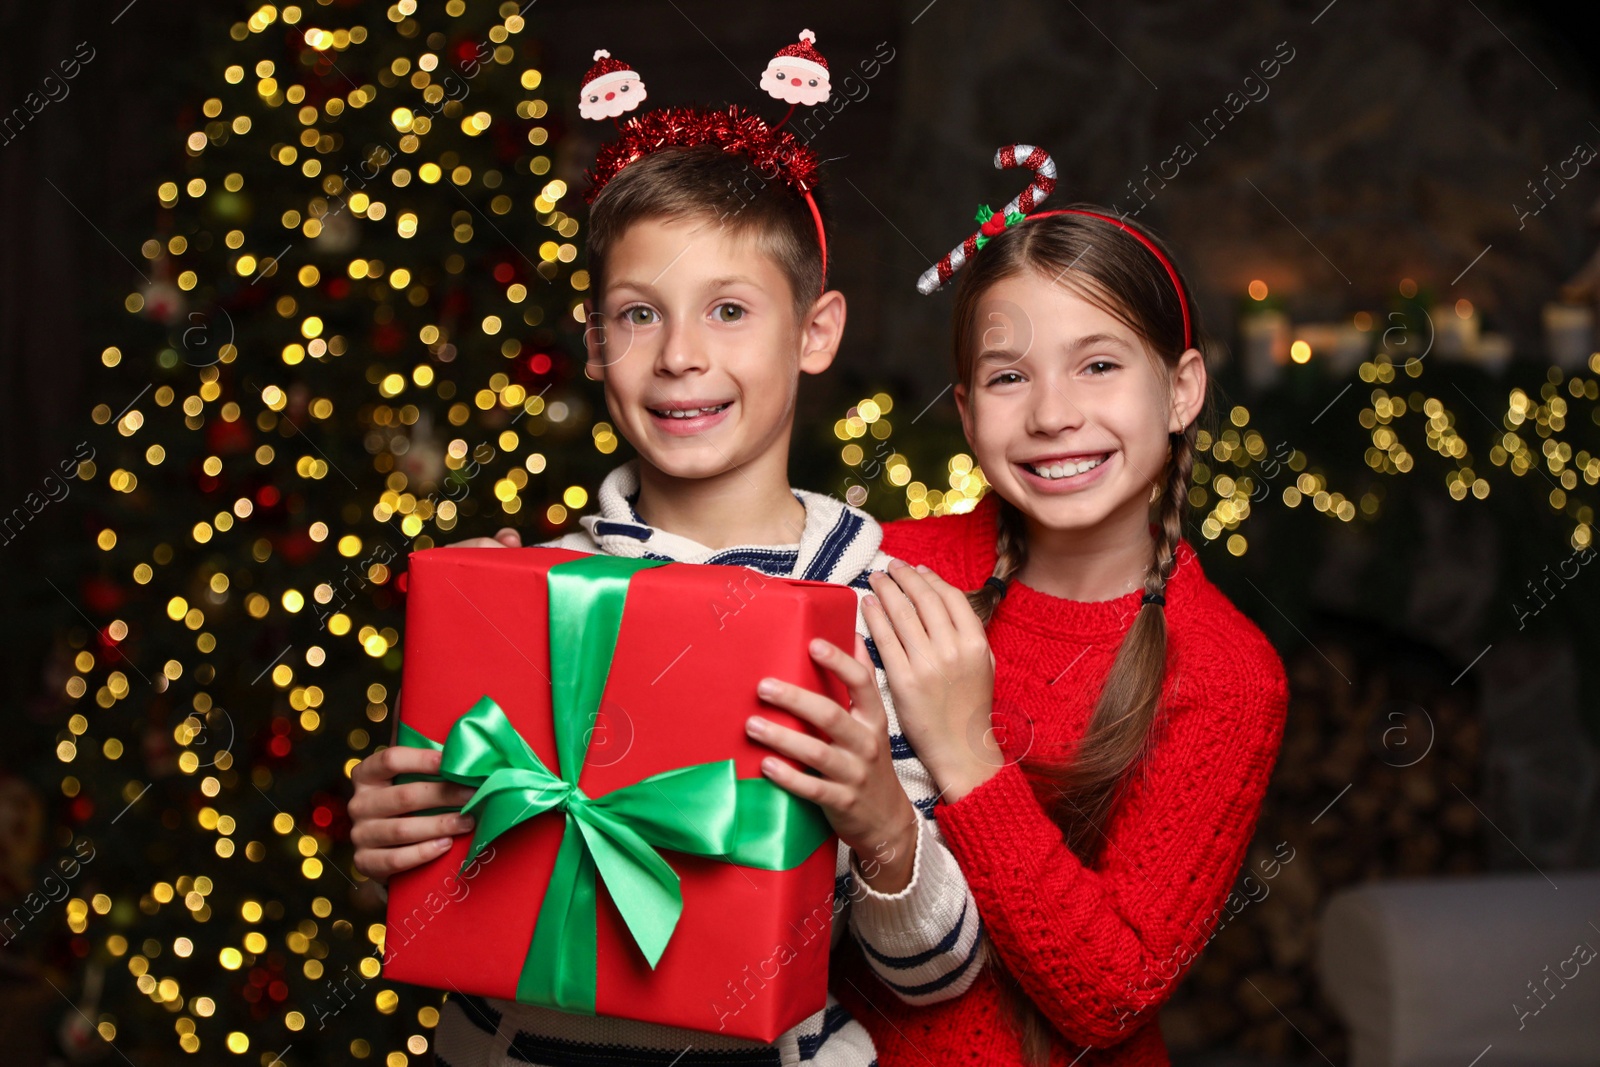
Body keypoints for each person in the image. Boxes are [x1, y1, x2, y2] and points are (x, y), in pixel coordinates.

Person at [347, 111, 985, 1066]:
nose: (680, 353)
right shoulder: (524, 589)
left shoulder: (883, 614)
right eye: (639, 314)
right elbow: (435, 890)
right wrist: (392, 842)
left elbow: (938, 975)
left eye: (729, 309)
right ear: (597, 343)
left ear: (816, 333)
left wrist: (887, 829)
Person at [832, 170, 1290, 1065]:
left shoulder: (1227, 673)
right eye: (1010, 376)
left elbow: (1110, 994)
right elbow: (697, 597)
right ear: (966, 412)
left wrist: (965, 751)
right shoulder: (884, 563)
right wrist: (524, 592)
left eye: (1099, 364)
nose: (1052, 414)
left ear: (1182, 388)